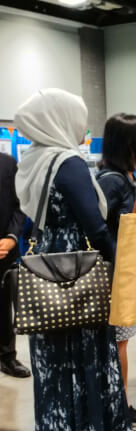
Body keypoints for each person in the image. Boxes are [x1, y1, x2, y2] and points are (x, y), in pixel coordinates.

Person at [14, 88, 131, 430]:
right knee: (85, 358)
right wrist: (121, 266)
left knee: (53, 361)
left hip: (45, 264)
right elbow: (94, 226)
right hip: (77, 271)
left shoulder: (33, 159)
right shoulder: (68, 162)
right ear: (62, 119)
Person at [95, 113, 136, 427]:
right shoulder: (113, 181)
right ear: (131, 143)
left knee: (120, 341)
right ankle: (120, 406)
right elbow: (100, 230)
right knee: (118, 342)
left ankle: (118, 403)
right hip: (112, 276)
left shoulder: (122, 177)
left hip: (117, 272)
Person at [0, 152, 31, 379]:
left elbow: (20, 204)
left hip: (4, 250)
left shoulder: (8, 163)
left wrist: (11, 237)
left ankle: (7, 357)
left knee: (3, 305)